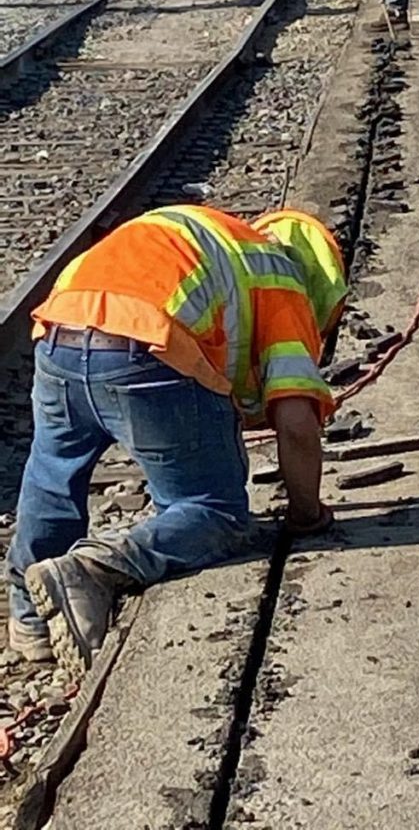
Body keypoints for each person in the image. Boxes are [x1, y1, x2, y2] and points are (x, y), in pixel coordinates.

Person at [6, 205, 347, 676]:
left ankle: (29, 620)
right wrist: (306, 514)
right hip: (146, 352)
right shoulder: (284, 281)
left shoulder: (214, 236)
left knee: (52, 475)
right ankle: (94, 569)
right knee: (215, 509)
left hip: (59, 329)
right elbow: (296, 423)